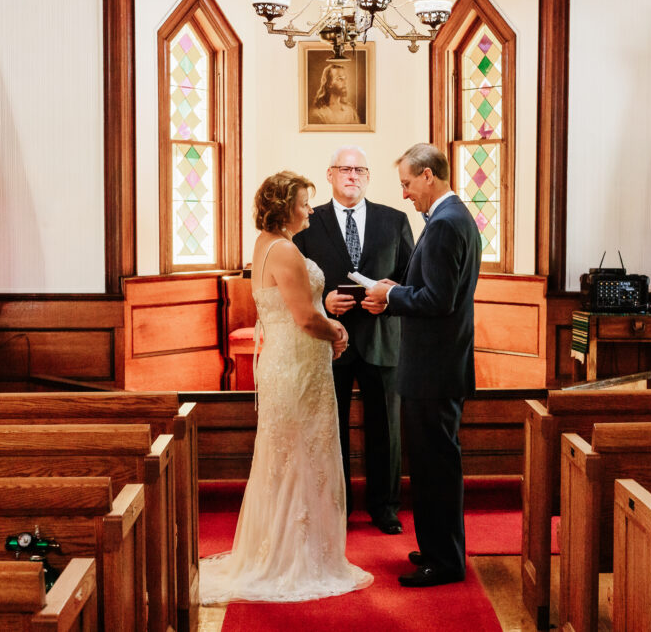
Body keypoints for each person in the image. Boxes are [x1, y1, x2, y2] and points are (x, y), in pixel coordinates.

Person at [199, 171, 373, 603]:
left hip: (287, 361)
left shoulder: (265, 245)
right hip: (298, 366)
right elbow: (305, 318)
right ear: (283, 207)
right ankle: (296, 558)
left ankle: (284, 548)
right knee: (303, 453)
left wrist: (324, 320)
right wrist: (335, 331)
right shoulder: (286, 251)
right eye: (303, 202)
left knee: (288, 454)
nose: (310, 209)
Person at [362, 143, 481, 588]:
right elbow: (435, 290)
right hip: (440, 366)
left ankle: (444, 562)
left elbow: (438, 300)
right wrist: (397, 287)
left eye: (408, 184)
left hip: (433, 370)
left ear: (429, 176)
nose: (406, 194)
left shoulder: (447, 224)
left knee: (435, 469)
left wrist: (390, 296)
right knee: (434, 465)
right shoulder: (455, 218)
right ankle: (437, 548)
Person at [293, 146, 413, 535]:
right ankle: (336, 507)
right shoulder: (309, 222)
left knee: (387, 431)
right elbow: (295, 281)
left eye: (360, 169)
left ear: (368, 176)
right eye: (345, 169)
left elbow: (411, 279)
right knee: (331, 427)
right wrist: (322, 301)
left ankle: (385, 507)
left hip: (382, 337)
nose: (353, 176)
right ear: (329, 175)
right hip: (330, 341)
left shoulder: (394, 220)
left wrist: (389, 300)